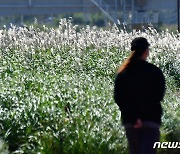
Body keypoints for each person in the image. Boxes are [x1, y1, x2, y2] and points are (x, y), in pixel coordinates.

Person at [114, 37, 166, 154]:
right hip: (150, 120)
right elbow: (158, 96)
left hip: (130, 123)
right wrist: (142, 117)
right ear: (146, 51)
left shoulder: (123, 73)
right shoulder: (155, 72)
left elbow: (119, 98)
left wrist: (134, 118)